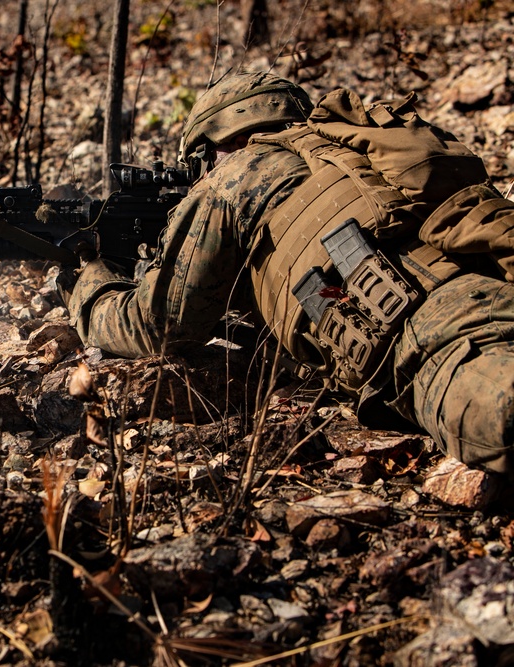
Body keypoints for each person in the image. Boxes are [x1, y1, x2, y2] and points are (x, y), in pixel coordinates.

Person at [63, 70, 514, 475]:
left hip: (438, 344)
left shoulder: (234, 176)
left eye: (198, 165)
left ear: (216, 144)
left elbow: (157, 326)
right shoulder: (359, 145)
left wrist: (90, 283)